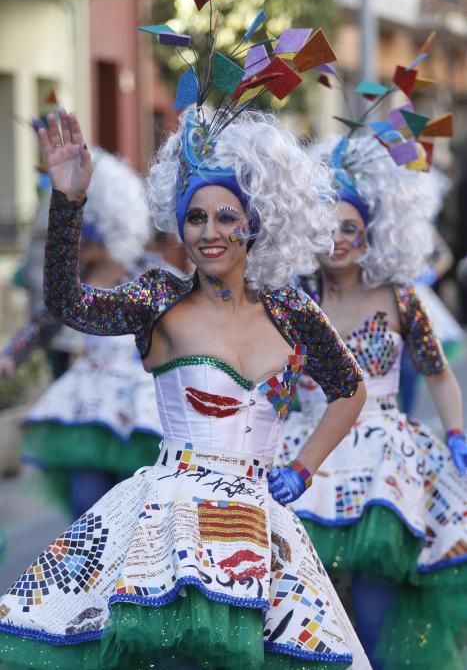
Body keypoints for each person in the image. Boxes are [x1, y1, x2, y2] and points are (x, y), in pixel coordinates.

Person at [0, 91, 374, 668]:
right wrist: (69, 203)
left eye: (227, 216)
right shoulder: (158, 298)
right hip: (168, 523)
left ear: (256, 222)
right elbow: (69, 304)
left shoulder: (293, 311)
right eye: (195, 216)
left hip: (259, 529)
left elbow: (349, 390)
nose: (209, 232)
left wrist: (302, 471)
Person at [275, 133, 467, 670]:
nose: (338, 240)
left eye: (350, 228)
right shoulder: (295, 298)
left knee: (382, 610)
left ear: (371, 233)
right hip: (309, 451)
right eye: (328, 228)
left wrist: (456, 435)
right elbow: (270, 381)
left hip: (387, 463)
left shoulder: (400, 295)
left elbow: (437, 373)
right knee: (313, 613)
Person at [0, 149, 163, 518]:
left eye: (85, 239)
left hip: (139, 412)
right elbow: (43, 321)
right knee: (87, 506)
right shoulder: (78, 285)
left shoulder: (150, 276)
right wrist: (11, 356)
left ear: (110, 232)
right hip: (88, 405)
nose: (78, 248)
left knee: (138, 508)